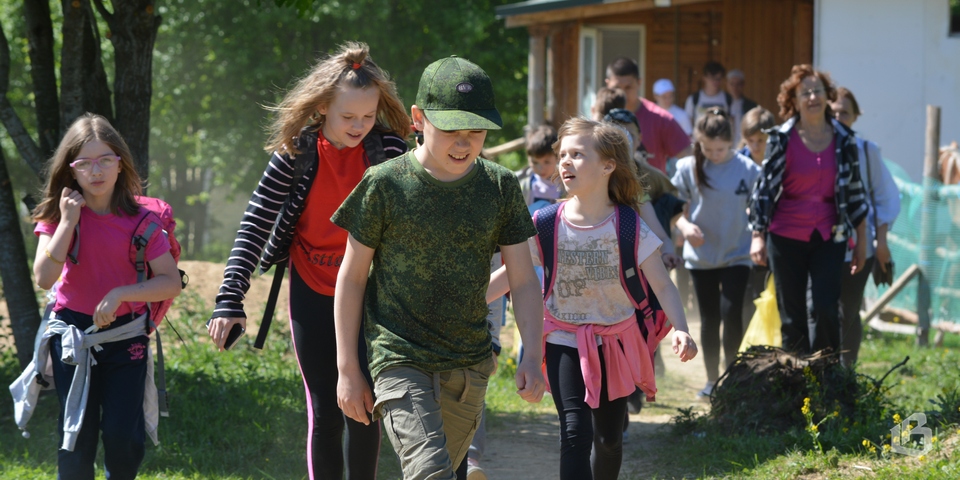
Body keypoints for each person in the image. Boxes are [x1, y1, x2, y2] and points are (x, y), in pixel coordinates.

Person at [332, 55, 546, 480]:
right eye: (451, 129)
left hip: (468, 364)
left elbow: (522, 280)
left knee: (439, 474)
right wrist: (347, 369)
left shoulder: (499, 186)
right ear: (417, 118)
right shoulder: (384, 184)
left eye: (476, 131)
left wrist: (533, 354)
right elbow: (352, 279)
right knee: (430, 473)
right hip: (398, 357)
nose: (464, 143)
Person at [207, 42, 411, 480]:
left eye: (368, 116)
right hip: (313, 289)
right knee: (326, 408)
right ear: (322, 108)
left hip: (372, 293)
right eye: (347, 116)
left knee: (364, 404)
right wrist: (229, 298)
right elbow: (255, 223)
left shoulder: (389, 152)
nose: (359, 126)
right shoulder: (296, 154)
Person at [487, 117, 697, 480]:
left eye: (577, 154)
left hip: (616, 341)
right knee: (574, 432)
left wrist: (681, 329)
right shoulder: (546, 222)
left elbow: (662, 285)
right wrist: (460, 302)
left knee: (609, 439)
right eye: (563, 154)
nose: (564, 161)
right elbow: (511, 277)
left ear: (607, 165)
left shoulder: (629, 225)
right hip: (563, 338)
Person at [30, 113, 182, 479]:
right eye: (85, 163)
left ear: (120, 164)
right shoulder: (57, 216)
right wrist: (67, 222)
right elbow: (43, 277)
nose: (96, 171)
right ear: (72, 170)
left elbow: (170, 281)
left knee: (122, 436)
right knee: (77, 436)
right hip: (73, 337)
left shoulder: (142, 220)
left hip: (125, 336)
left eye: (105, 160)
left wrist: (121, 294)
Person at [748, 65, 868, 355]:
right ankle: (796, 385)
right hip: (785, 235)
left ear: (828, 96)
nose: (812, 97)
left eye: (818, 91)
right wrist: (758, 235)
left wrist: (862, 243)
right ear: (795, 100)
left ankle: (824, 381)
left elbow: (855, 193)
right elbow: (763, 190)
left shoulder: (845, 139)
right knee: (793, 316)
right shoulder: (782, 138)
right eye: (805, 93)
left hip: (830, 234)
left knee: (827, 308)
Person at [671, 109, 761, 397]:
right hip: (701, 257)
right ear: (698, 142)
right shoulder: (687, 167)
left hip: (737, 252)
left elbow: (761, 209)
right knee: (710, 318)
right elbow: (672, 208)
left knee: (732, 312)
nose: (714, 154)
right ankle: (711, 380)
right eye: (707, 148)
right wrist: (684, 227)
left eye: (720, 149)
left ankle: (731, 376)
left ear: (732, 142)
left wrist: (759, 237)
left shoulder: (748, 169)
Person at [830, 86, 900, 367]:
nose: (837, 117)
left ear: (855, 117)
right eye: (832, 111)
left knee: (848, 309)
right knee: (822, 308)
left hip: (859, 246)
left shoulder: (866, 151)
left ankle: (846, 373)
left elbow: (886, 198)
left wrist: (879, 243)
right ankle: (822, 370)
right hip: (821, 243)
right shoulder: (812, 147)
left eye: (844, 112)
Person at [604, 57, 691, 173]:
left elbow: (688, 156)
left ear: (639, 83)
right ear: (607, 84)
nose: (623, 94)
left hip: (650, 189)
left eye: (628, 87)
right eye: (617, 88)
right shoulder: (600, 117)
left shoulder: (660, 119)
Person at [735, 106, 777, 328]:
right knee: (745, 297)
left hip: (773, 236)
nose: (756, 146)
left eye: (761, 140)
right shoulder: (737, 163)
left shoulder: (779, 162)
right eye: (750, 140)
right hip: (742, 241)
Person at [516, 124, 563, 207]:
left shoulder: (566, 183)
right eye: (535, 162)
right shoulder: (520, 182)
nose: (540, 168)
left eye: (547, 162)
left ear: (557, 157)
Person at [684, 61, 731, 127]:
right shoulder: (693, 99)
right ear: (704, 78)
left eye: (719, 78)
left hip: (721, 136)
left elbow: (732, 123)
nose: (716, 81)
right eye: (712, 78)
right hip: (699, 136)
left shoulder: (728, 99)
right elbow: (688, 125)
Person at [725, 69, 759, 145]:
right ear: (727, 84)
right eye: (732, 84)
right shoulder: (723, 104)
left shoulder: (751, 105)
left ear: (743, 85)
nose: (735, 87)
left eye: (738, 84)